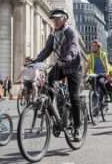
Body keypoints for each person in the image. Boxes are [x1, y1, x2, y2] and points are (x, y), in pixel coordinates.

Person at [32, 8, 82, 141]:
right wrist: (36, 61)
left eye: (58, 19)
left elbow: (73, 47)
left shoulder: (70, 32)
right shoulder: (53, 34)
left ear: (65, 19)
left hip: (73, 67)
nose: (55, 21)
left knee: (74, 96)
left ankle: (77, 128)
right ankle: (56, 118)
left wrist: (67, 58)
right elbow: (47, 50)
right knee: (48, 88)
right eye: (54, 19)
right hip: (60, 65)